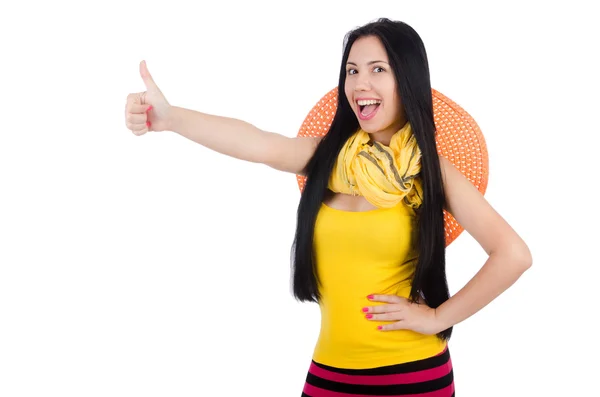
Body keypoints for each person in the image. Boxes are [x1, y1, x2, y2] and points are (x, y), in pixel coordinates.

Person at [124, 18, 532, 397]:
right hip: (328, 374)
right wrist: (172, 118)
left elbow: (513, 255)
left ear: (406, 80)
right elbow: (257, 142)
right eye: (352, 71)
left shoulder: (429, 170)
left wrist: (437, 318)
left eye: (378, 69)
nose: (360, 83)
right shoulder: (330, 159)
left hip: (413, 375)